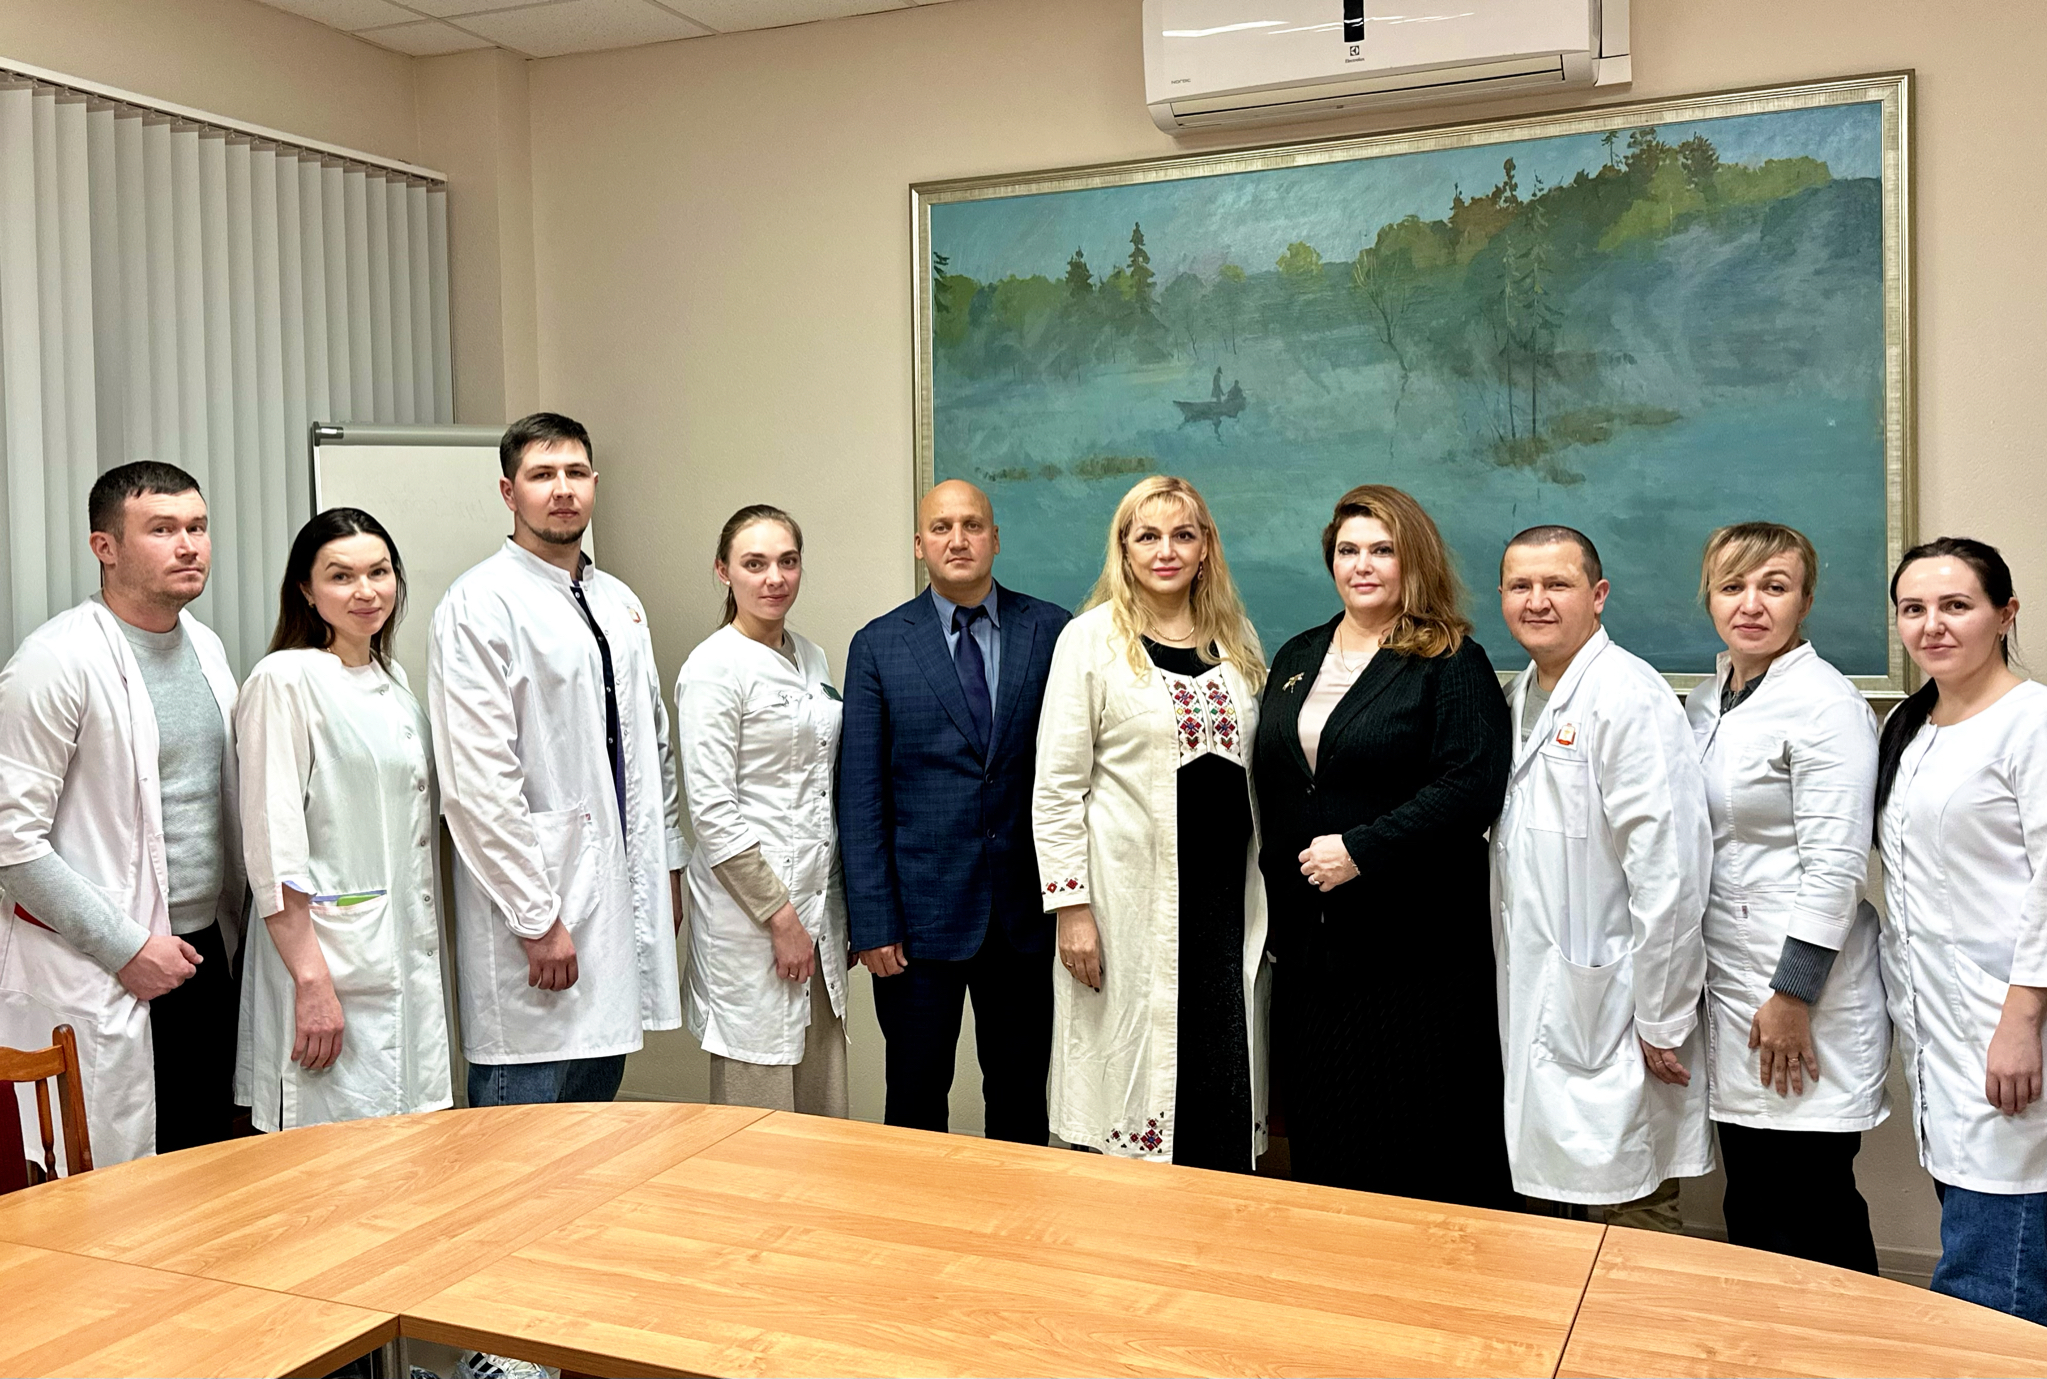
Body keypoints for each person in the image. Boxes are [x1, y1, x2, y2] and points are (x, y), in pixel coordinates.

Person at [1253, 485, 1515, 1208]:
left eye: (1381, 550)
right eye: (1347, 550)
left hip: (1415, 951)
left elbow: (1471, 787)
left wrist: (1362, 849)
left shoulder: (1449, 658)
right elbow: (1280, 783)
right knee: (1327, 1144)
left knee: (1418, 1149)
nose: (1361, 565)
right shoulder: (1298, 654)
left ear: (1412, 560)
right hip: (1312, 953)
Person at [429, 413, 684, 1107]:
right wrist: (535, 917)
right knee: (522, 1146)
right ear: (508, 492)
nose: (562, 489)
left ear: (594, 483)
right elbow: (477, 785)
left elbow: (652, 746)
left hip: (612, 907)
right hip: (535, 921)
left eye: (574, 472)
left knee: (595, 1140)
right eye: (542, 475)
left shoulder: (619, 602)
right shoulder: (478, 605)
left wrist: (666, 868)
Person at [0, 462, 243, 1164]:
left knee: (209, 1169)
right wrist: (125, 948)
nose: (188, 545)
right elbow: (11, 842)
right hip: (110, 962)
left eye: (197, 527)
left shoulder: (206, 647)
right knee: (120, 1188)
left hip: (204, 953)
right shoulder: (53, 661)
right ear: (104, 547)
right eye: (162, 529)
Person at [1033, 475, 1269, 1170]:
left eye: (1182, 535)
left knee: (1220, 1066)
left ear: (1205, 548)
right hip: (1126, 902)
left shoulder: (1236, 639)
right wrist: (1071, 908)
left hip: (1225, 900)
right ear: (1124, 548)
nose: (1166, 551)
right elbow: (1056, 788)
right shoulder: (1089, 641)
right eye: (1148, 536)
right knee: (1131, 1080)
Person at [1492, 525, 1714, 1225]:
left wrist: (1664, 1013)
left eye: (1556, 584)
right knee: (1557, 1214)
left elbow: (1670, 871)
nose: (1536, 601)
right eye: (1520, 586)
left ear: (1597, 595)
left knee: (1634, 1219)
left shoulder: (1627, 695)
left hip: (1619, 1006)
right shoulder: (1519, 696)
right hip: (1550, 994)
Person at [1683, 522, 1887, 1272]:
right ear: (1709, 597)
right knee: (1755, 1200)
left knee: (1811, 1207)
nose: (1751, 604)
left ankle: (1850, 1337)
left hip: (1799, 992)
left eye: (1774, 587)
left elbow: (1836, 866)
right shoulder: (1709, 701)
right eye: (1732, 586)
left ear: (1804, 600)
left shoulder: (1824, 704)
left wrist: (1793, 993)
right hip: (1735, 985)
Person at [839, 480, 1069, 1142]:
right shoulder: (879, 645)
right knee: (914, 1100)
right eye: (941, 527)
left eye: (973, 525)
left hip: (1024, 917)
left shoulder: (1052, 632)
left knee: (1021, 1099)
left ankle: (1015, 1211)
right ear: (919, 544)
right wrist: (872, 923)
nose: (958, 539)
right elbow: (861, 794)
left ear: (996, 538)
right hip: (916, 924)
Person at [234, 508, 453, 1132]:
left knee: (407, 1140)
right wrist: (311, 982)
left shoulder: (394, 680)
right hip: (324, 961)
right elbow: (273, 851)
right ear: (306, 590)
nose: (366, 591)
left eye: (379, 572)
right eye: (341, 576)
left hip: (399, 950)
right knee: (331, 1153)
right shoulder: (283, 680)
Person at [1876, 536, 2047, 1324]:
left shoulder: (2031, 722)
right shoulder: (1909, 726)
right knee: (1980, 1237)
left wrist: (2020, 1020)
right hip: (1939, 1036)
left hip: (2007, 1029)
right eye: (1913, 608)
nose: (1931, 624)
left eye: (1955, 605)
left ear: (2004, 614)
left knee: (1991, 1280)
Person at [676, 505, 849, 1115]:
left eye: (787, 562)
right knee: (758, 1111)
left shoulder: (812, 657)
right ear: (724, 572)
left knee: (823, 1097)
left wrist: (831, 914)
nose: (774, 578)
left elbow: (821, 790)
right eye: (755, 564)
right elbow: (713, 812)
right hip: (752, 919)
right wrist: (780, 918)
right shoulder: (713, 668)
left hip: (818, 911)